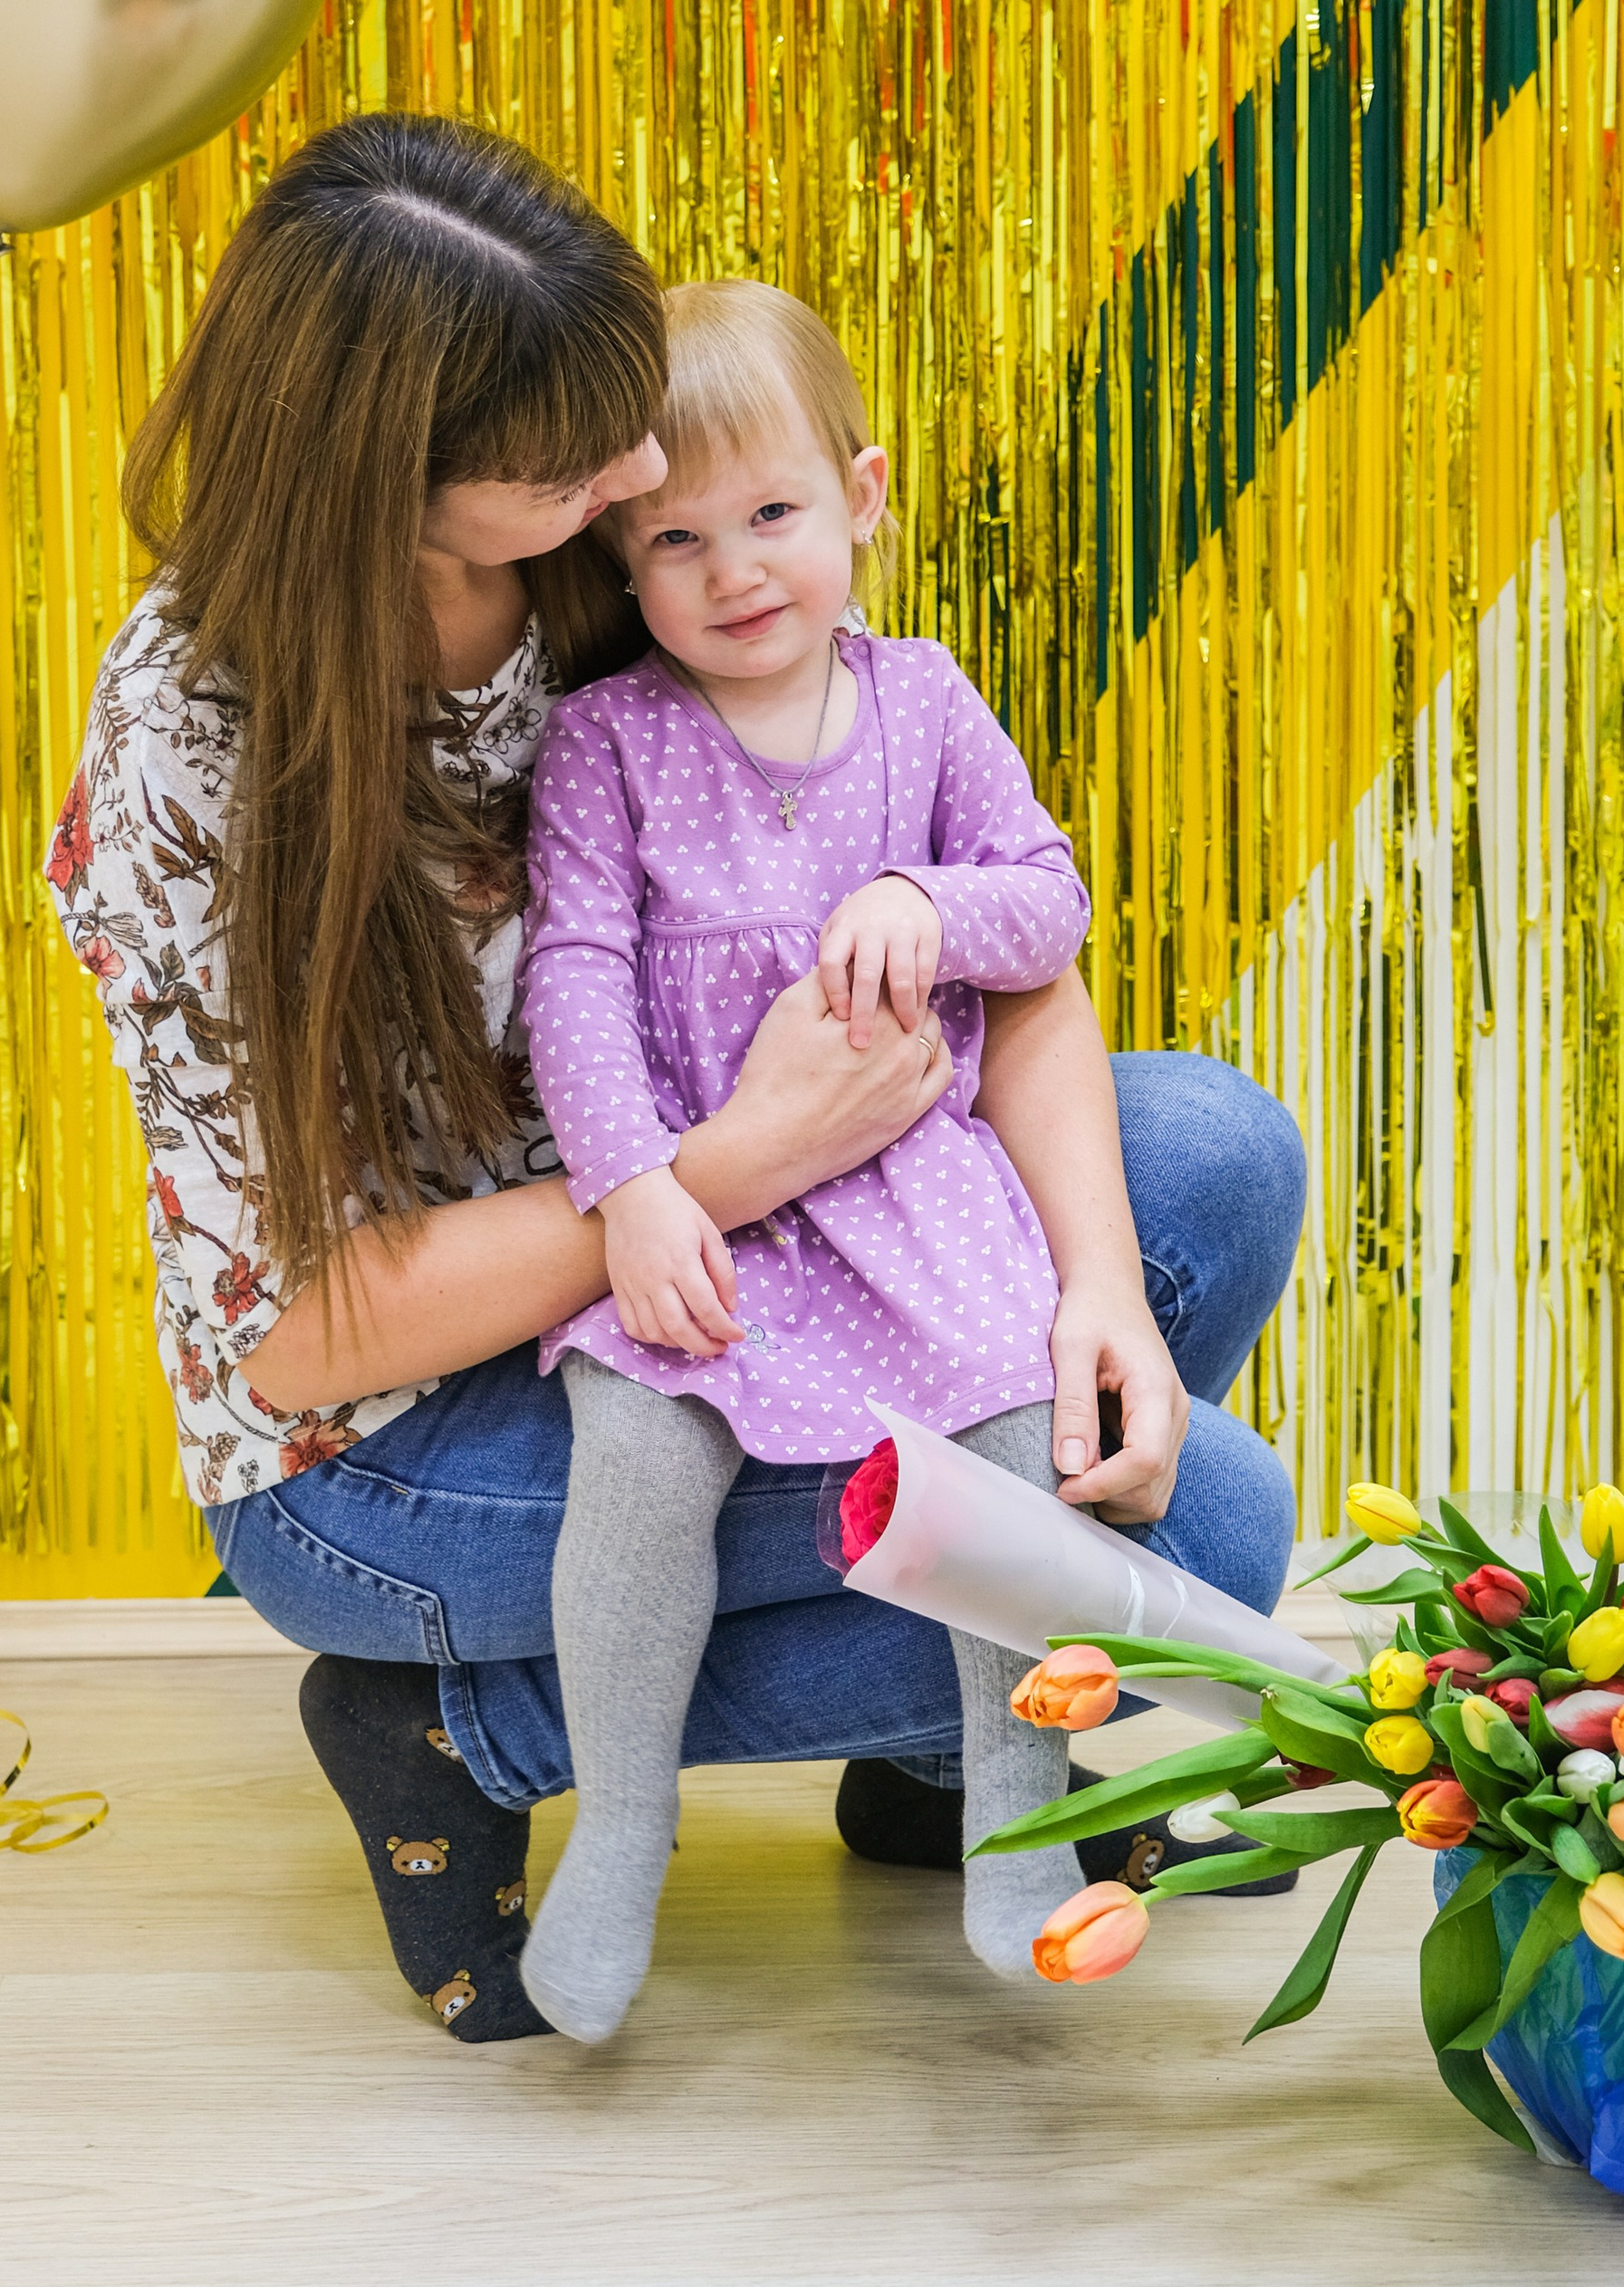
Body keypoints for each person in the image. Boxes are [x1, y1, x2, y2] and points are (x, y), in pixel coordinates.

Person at [47, 112, 1307, 2047]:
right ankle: (465, 1726)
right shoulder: (195, 757)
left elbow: (1019, 953)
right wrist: (721, 1164)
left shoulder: (627, 568)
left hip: (783, 1220)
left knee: (1209, 1162)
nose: (649, 481)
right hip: (402, 1426)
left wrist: (1098, 1295)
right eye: (589, 468)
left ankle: (945, 1753)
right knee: (1195, 1537)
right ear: (401, 486)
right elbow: (300, 1334)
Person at [518, 281, 1135, 2037]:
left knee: (1012, 1457)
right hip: (709, 1206)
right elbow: (571, 976)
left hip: (909, 1199)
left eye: (772, 513)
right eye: (677, 539)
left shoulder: (922, 704)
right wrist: (634, 1187)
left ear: (860, 497)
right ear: (623, 558)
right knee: (635, 1461)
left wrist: (925, 897)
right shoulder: (608, 741)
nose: (732, 571)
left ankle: (1016, 1821)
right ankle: (619, 1822)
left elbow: (1047, 902)